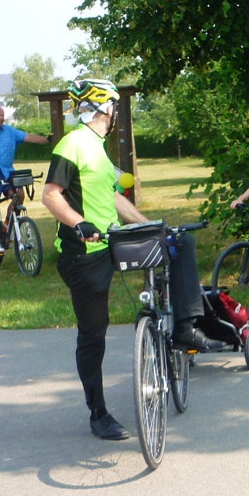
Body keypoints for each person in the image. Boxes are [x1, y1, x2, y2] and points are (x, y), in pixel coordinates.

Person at [43, 78, 222, 443]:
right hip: (84, 255)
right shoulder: (73, 143)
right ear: (106, 108)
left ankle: (185, 326)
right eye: (114, 108)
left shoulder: (97, 147)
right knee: (94, 334)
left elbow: (113, 199)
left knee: (179, 244)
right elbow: (50, 195)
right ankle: (98, 413)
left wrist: (155, 227)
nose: (115, 115)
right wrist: (79, 224)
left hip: (113, 242)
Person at [0, 105, 51, 257]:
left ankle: (9, 226)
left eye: (2, 115)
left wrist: (47, 140)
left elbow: (27, 137)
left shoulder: (9, 131)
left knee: (18, 195)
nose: (0, 118)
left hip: (6, 172)